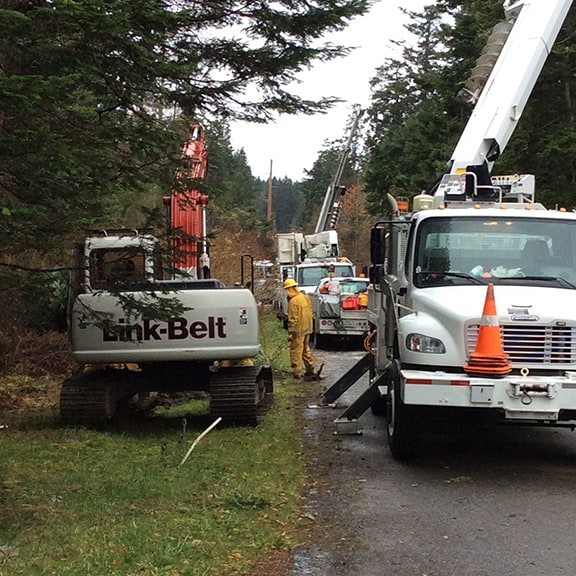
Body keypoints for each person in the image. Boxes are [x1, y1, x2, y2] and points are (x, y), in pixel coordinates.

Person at [283, 278, 323, 380]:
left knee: (296, 350)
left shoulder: (293, 301)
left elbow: (293, 319)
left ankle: (297, 372)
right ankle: (310, 368)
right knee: (306, 349)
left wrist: (290, 333)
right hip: (307, 328)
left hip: (298, 330)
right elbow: (310, 311)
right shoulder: (304, 297)